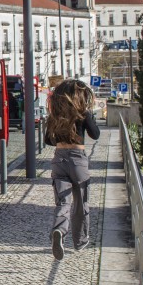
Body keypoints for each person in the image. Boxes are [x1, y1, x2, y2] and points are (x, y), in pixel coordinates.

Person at [43, 79, 100, 260]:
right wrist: (88, 115)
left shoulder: (56, 115)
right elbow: (96, 134)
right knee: (81, 202)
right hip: (77, 159)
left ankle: (59, 230)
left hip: (59, 159)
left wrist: (62, 135)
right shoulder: (82, 114)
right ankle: (80, 241)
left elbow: (48, 141)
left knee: (63, 202)